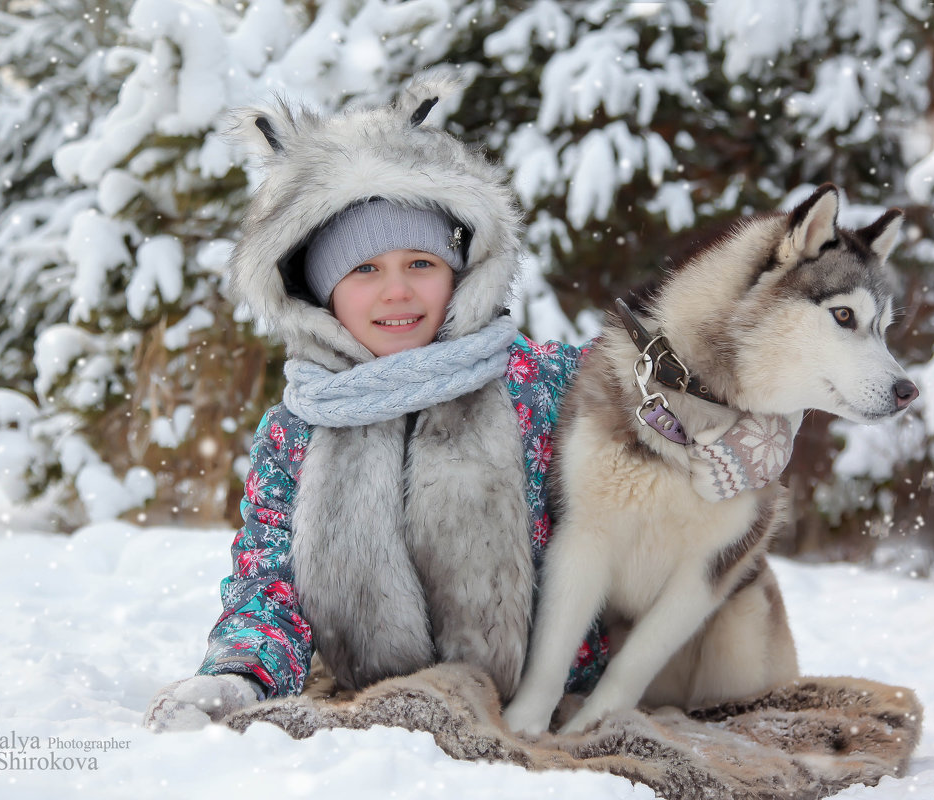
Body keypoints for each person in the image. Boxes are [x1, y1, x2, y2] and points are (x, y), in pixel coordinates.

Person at [144, 77, 606, 731]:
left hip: (554, 700)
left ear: (460, 270)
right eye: (363, 270)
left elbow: (673, 402)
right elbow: (273, 579)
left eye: (420, 263)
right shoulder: (296, 431)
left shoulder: (545, 384)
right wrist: (240, 674)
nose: (397, 293)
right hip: (379, 710)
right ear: (317, 293)